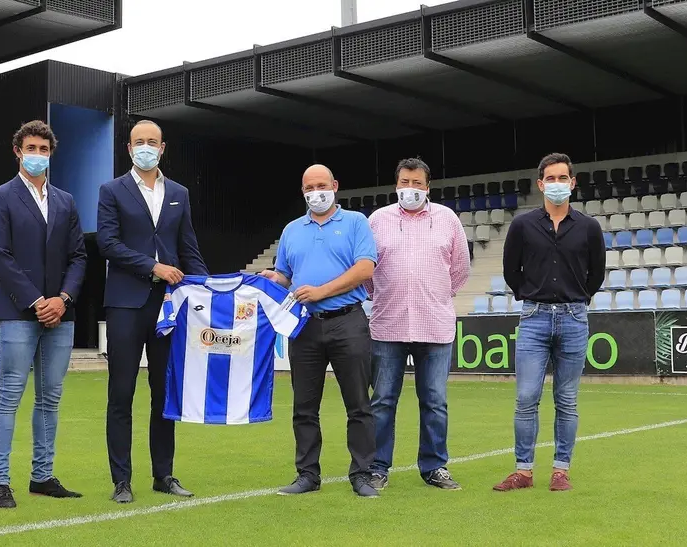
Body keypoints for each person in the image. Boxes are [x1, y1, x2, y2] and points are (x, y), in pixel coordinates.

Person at [97, 120, 207, 504]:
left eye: (153, 142)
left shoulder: (179, 192)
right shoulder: (111, 190)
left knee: (164, 394)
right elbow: (108, 244)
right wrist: (152, 266)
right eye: (139, 142)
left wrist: (208, 289)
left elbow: (188, 247)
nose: (146, 147)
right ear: (129, 148)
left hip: (170, 308)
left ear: (163, 148)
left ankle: (164, 475)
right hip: (126, 304)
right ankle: (122, 480)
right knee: (121, 393)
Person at [0, 120, 87, 509]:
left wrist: (62, 299)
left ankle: (42, 476)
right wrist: (35, 301)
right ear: (17, 150)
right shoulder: (0, 196)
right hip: (16, 312)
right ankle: (0, 482)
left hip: (61, 314)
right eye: (32, 148)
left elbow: (78, 256)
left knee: (50, 398)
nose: (38, 155)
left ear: (51, 153)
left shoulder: (66, 200)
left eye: (44, 149)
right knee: (9, 395)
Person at [259, 164, 380, 498]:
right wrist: (275, 278)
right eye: (309, 187)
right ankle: (307, 475)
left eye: (321, 185)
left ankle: (362, 474)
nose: (316, 192)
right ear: (303, 192)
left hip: (348, 321)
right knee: (304, 406)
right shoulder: (291, 230)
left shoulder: (356, 222)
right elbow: (286, 275)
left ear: (335, 186)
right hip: (305, 325)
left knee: (358, 404)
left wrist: (321, 291)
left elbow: (365, 268)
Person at [495, 152, 605, 492]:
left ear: (573, 183)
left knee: (567, 399)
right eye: (551, 179)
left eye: (563, 178)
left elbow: (596, 274)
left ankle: (561, 470)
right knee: (526, 397)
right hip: (534, 317)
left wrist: (578, 297)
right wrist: (529, 294)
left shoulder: (588, 227)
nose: (557, 184)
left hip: (574, 317)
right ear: (541, 184)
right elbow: (511, 270)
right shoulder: (522, 225)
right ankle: (524, 471)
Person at [365, 158, 470, 491]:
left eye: (417, 183)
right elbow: (366, 271)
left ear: (428, 187)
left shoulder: (447, 219)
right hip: (388, 324)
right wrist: (385, 294)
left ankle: (434, 466)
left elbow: (459, 269)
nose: (410, 189)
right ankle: (377, 466)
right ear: (396, 185)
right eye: (404, 183)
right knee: (382, 400)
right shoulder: (377, 221)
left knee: (435, 401)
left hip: (434, 325)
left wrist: (434, 296)